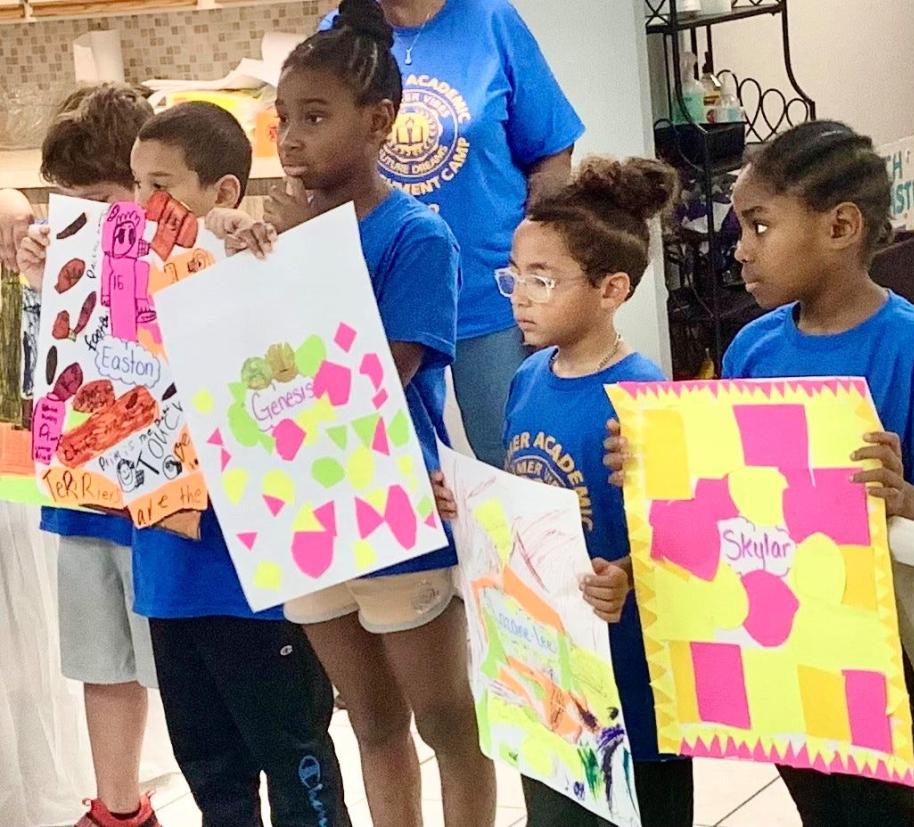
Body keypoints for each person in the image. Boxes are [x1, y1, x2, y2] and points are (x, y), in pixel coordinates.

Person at [605, 121, 914, 826]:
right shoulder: (752, 349)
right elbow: (719, 493)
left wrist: (905, 495)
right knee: (816, 804)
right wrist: (652, 465)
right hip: (772, 641)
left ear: (840, 227)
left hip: (878, 651)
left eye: (760, 226)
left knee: (875, 814)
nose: (739, 250)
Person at [210, 4, 496, 825]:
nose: (290, 138)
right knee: (369, 718)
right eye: (283, 118)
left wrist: (307, 258)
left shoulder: (416, 236)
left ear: (379, 123)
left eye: (313, 116)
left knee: (446, 718)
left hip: (392, 502)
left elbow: (374, 374)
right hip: (301, 510)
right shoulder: (275, 236)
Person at [429, 155, 695, 826]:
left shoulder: (643, 395)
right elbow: (529, 506)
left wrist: (631, 573)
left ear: (612, 289)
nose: (519, 295)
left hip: (633, 679)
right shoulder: (527, 379)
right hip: (549, 672)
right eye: (514, 276)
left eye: (542, 280)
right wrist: (470, 511)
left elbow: (688, 534)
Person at [124, 101, 350, 827]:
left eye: (160, 186)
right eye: (133, 186)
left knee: (295, 759)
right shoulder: (123, 277)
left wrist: (229, 241)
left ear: (222, 193)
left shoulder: (257, 264)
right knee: (211, 774)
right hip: (167, 573)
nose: (140, 206)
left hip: (256, 576)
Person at [316, 0, 584, 469]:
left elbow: (551, 151)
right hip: (383, 304)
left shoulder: (490, 19)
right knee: (394, 470)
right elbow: (316, 160)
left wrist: (541, 275)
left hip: (492, 299)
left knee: (518, 465)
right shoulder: (342, 29)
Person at [12, 83, 163, 827]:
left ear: (142, 187)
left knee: (178, 661)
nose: (79, 219)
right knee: (101, 659)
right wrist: (35, 287)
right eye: (64, 200)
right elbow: (32, 387)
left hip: (158, 496)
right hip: (79, 492)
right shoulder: (53, 255)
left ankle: (224, 797)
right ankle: (118, 807)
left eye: (99, 199)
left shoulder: (168, 253)